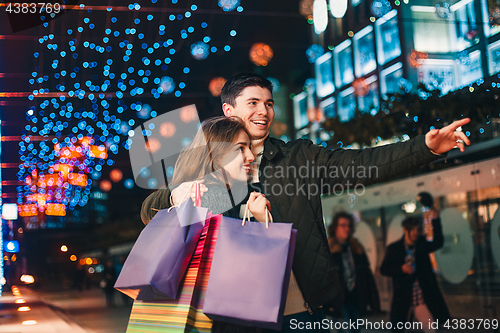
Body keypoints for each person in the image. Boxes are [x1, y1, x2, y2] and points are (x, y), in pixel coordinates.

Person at [141, 73, 469, 332]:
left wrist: (424, 149)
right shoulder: (208, 165)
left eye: (269, 104)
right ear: (229, 110)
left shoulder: (299, 157)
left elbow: (363, 164)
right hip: (235, 315)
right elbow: (154, 210)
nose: (263, 111)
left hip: (301, 310)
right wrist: (193, 191)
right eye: (252, 102)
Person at [146, 116, 271, 332]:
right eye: (240, 149)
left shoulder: (241, 193)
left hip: (202, 311)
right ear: (217, 155)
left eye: (249, 148)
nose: (250, 155)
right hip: (219, 315)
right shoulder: (207, 192)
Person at [380, 213, 450, 332]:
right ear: (405, 229)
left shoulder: (421, 244)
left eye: (418, 229)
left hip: (421, 297)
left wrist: (436, 220)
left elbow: (438, 242)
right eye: (412, 229)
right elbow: (383, 269)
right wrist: (401, 269)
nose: (415, 233)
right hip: (403, 298)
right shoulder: (395, 248)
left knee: (431, 329)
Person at [325, 212, 380, 333]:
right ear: (335, 228)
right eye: (342, 225)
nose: (346, 229)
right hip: (339, 302)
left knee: (355, 330)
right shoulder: (329, 250)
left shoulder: (356, 248)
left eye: (348, 225)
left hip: (356, 299)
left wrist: (374, 301)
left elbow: (367, 275)